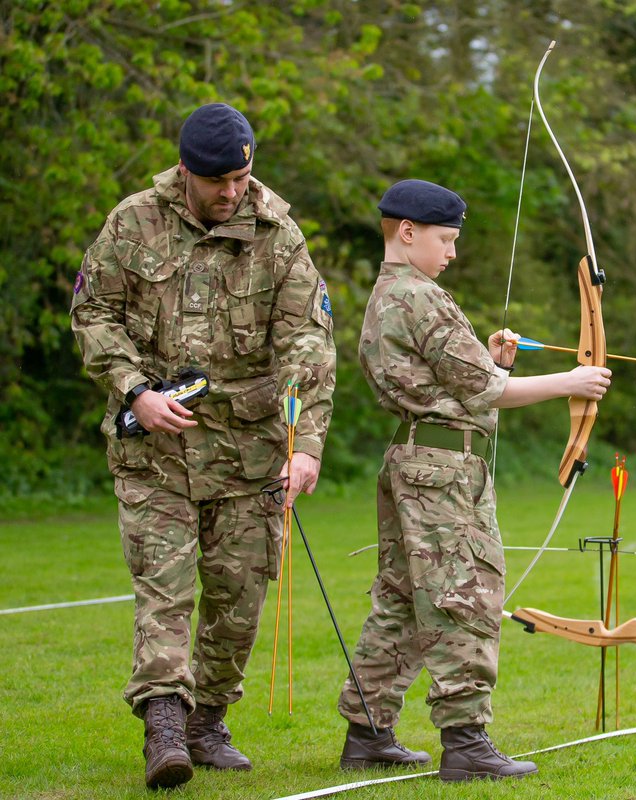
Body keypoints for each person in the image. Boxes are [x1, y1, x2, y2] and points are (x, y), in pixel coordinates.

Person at [71, 103, 336, 789]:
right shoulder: (133, 222)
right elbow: (92, 313)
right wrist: (134, 390)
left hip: (248, 452)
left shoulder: (279, 234)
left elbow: (308, 343)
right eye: (218, 181)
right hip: (155, 451)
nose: (231, 192)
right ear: (186, 171)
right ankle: (164, 724)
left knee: (238, 598)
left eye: (241, 179)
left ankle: (208, 720)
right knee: (164, 590)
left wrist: (305, 443)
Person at [336, 179, 611, 781]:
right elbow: (486, 391)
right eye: (446, 240)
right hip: (440, 473)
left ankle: (368, 732)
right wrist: (573, 381)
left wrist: (495, 361)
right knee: (466, 596)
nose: (452, 253)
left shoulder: (388, 294)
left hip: (416, 463)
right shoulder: (420, 296)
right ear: (408, 232)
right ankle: (465, 741)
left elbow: (460, 380)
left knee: (401, 600)